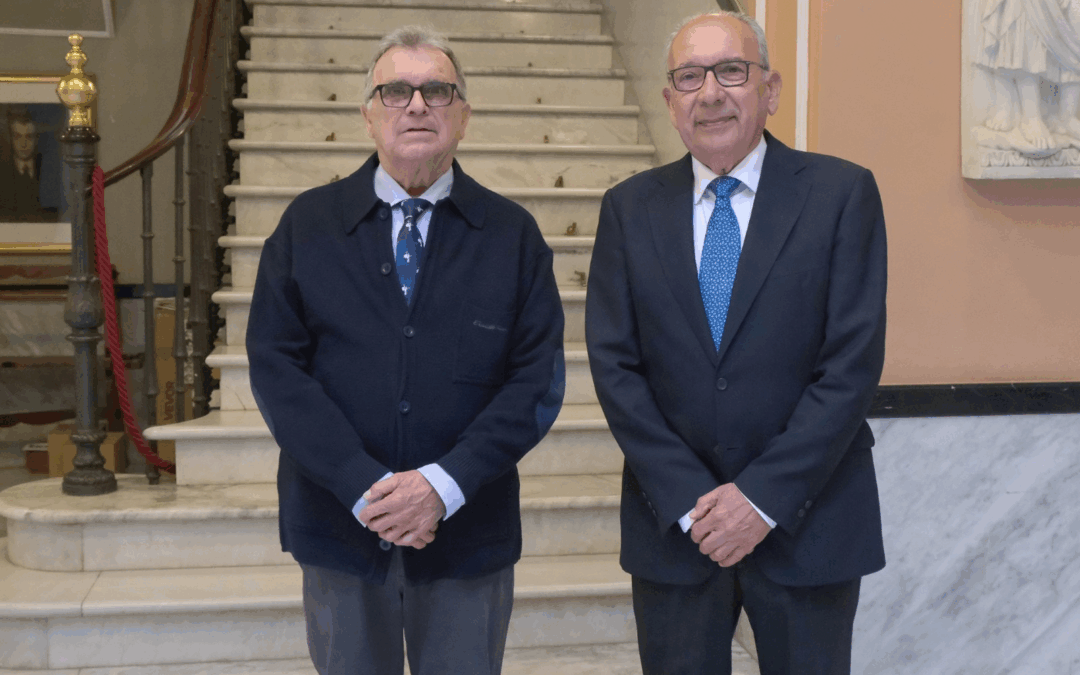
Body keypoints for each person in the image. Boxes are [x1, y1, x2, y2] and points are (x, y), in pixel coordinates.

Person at [247, 25, 565, 675]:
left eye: (436, 91)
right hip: (338, 527)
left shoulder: (513, 236)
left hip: (468, 532)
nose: (417, 105)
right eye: (395, 91)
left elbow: (536, 383)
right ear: (369, 115)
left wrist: (442, 486)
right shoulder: (306, 227)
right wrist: (361, 485)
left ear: (463, 116)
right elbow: (276, 370)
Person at [586, 11, 887, 675]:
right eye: (690, 77)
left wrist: (760, 499)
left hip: (810, 522)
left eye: (731, 71)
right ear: (669, 102)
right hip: (677, 528)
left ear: (770, 90)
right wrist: (694, 501)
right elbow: (615, 366)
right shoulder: (628, 209)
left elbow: (851, 364)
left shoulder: (842, 194)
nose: (710, 93)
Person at [0, 112, 47, 222]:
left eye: (29, 137)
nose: (23, 144)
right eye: (17, 137)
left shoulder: (48, 170)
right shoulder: (2, 172)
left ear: (37, 139)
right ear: (10, 139)